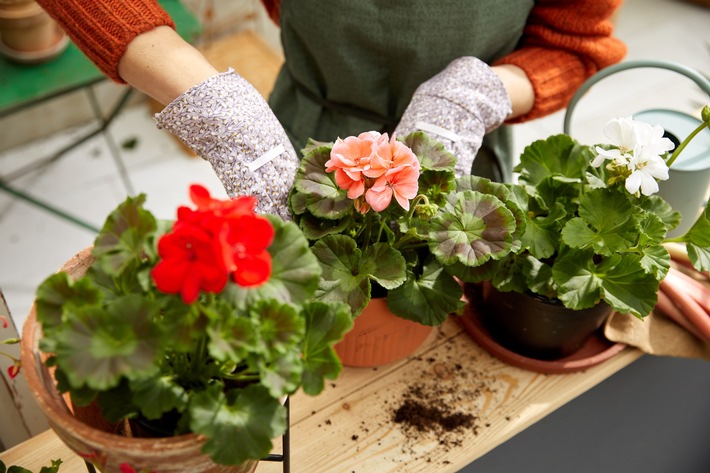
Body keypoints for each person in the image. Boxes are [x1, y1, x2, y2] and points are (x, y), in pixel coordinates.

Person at [35, 0, 626, 219]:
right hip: (299, 139)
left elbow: (573, 45)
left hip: (460, 156)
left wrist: (474, 97)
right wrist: (214, 106)